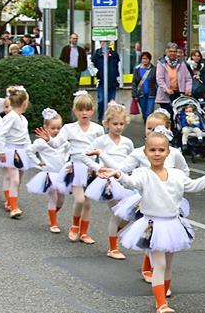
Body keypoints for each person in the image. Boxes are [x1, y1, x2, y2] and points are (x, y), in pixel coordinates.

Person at [98, 129, 205, 313]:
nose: (157, 154)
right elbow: (131, 182)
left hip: (172, 224)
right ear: (145, 153)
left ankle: (162, 297)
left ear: (168, 153)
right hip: (152, 225)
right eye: (152, 150)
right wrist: (118, 174)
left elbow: (194, 186)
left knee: (168, 264)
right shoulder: (143, 173)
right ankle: (161, 304)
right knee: (159, 264)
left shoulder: (177, 175)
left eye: (161, 150)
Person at [116, 112, 191, 284]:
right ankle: (150, 269)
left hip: (168, 200)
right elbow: (123, 169)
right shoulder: (140, 152)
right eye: (149, 128)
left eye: (157, 128)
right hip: (146, 197)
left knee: (164, 239)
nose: (152, 132)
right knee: (149, 233)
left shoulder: (173, 153)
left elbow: (184, 172)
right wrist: (120, 174)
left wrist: (176, 183)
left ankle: (157, 274)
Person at [38, 91, 103, 244]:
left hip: (91, 168)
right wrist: (49, 139)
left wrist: (102, 168)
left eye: (87, 109)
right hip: (77, 168)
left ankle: (84, 232)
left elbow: (102, 150)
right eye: (81, 110)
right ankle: (74, 226)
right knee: (79, 200)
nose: (84, 113)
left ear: (92, 110)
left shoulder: (98, 129)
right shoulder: (69, 128)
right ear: (75, 111)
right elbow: (56, 143)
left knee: (87, 203)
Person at [84, 104, 136, 260]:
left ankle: (115, 233)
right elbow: (85, 155)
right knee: (117, 213)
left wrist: (132, 172)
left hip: (123, 180)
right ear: (106, 123)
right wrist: (97, 167)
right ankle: (113, 247)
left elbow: (132, 159)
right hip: (108, 182)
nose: (119, 127)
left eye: (121, 124)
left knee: (130, 213)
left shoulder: (127, 142)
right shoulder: (101, 141)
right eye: (115, 124)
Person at [0, 86, 34, 219]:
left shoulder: (23, 119)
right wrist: (2, 151)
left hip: (21, 151)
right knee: (13, 179)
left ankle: (10, 201)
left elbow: (26, 137)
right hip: (10, 150)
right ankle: (13, 207)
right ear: (24, 102)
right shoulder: (11, 117)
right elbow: (1, 133)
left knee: (17, 179)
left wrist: (30, 150)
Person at [26, 109, 69, 233]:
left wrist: (66, 160)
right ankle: (53, 223)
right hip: (49, 174)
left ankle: (52, 214)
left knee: (61, 199)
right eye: (53, 128)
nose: (56, 131)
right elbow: (30, 151)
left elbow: (67, 149)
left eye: (59, 128)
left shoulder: (63, 141)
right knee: (53, 197)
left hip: (61, 173)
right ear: (45, 127)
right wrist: (38, 162)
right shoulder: (40, 142)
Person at [156, 42, 192, 115]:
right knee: (168, 115)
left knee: (178, 115)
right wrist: (166, 89)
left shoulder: (181, 63)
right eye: (171, 51)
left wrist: (188, 89)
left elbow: (188, 78)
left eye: (175, 51)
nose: (173, 53)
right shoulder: (161, 63)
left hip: (179, 94)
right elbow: (160, 79)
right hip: (165, 95)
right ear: (167, 52)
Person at [92, 42, 122, 117]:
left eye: (106, 42)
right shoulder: (97, 54)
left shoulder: (114, 54)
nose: (104, 44)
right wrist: (96, 73)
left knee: (111, 103)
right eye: (102, 42)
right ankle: (100, 118)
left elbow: (119, 67)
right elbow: (91, 65)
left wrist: (120, 81)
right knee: (101, 101)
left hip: (112, 82)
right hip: (101, 82)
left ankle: (109, 119)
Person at [131, 51, 157, 119]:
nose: (145, 60)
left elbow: (157, 82)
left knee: (149, 113)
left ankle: (149, 127)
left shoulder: (154, 69)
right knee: (144, 113)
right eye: (143, 58)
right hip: (141, 94)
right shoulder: (137, 69)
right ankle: (147, 127)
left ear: (149, 59)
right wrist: (134, 95)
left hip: (151, 94)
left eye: (146, 58)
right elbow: (134, 83)